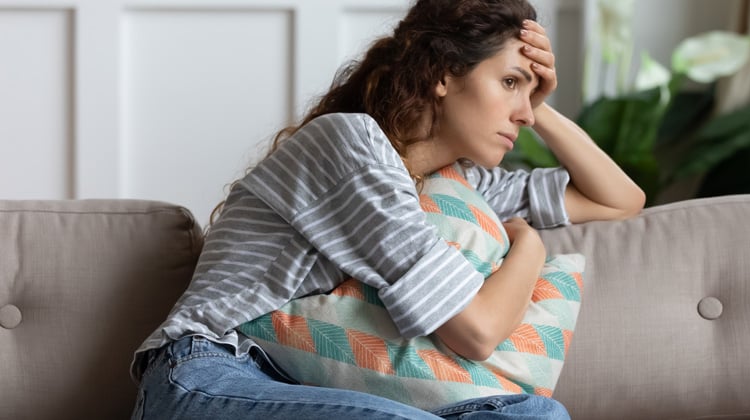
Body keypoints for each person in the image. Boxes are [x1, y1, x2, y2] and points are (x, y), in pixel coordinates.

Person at [130, 0, 645, 418]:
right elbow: (478, 332)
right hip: (211, 373)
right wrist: (529, 246)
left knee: (536, 416)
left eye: (530, 95)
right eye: (510, 83)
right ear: (444, 74)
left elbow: (620, 200)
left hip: (309, 381)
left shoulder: (455, 184)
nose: (523, 114)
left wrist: (542, 103)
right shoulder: (350, 145)